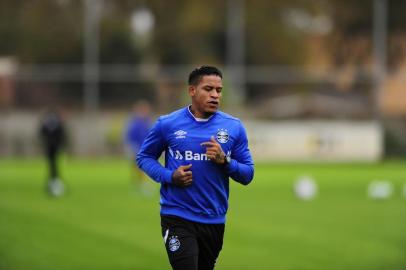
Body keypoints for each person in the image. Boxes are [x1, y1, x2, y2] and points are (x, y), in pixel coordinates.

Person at [136, 66, 254, 270]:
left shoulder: (233, 127)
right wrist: (170, 176)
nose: (215, 95)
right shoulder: (168, 124)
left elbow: (247, 174)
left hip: (214, 219)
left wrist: (225, 162)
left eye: (219, 90)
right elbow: (145, 157)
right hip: (177, 216)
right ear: (192, 91)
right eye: (208, 89)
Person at [124, 100, 153, 195]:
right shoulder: (135, 123)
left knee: (144, 167)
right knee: (139, 168)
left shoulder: (147, 121)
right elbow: (130, 136)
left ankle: (143, 184)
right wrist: (133, 148)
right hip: (137, 149)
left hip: (146, 148)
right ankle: (141, 185)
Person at [39, 109, 66, 197]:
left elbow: (42, 132)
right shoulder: (56, 122)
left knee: (52, 163)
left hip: (51, 145)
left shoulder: (48, 122)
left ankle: (54, 180)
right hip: (53, 145)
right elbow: (61, 133)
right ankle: (54, 180)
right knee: (53, 164)